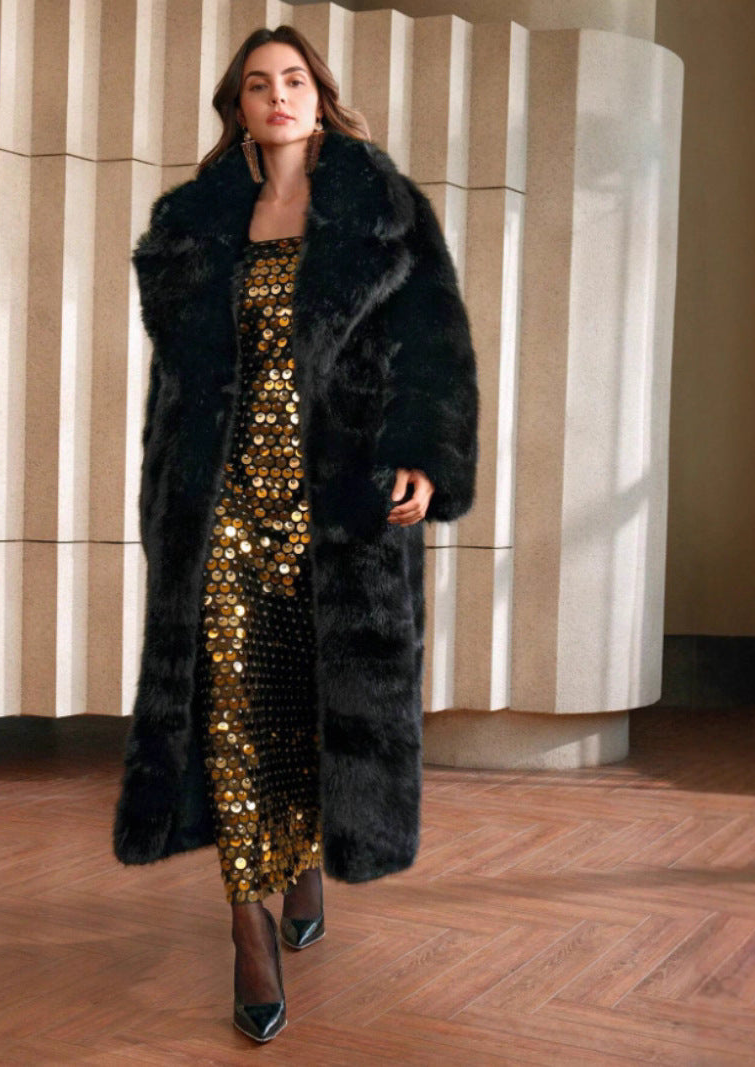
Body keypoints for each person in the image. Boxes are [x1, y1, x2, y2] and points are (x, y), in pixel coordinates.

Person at [112, 24, 479, 1043]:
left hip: (339, 512)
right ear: (236, 108)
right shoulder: (195, 226)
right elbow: (178, 388)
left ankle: (305, 857)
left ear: (320, 95)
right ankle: (248, 928)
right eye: (257, 84)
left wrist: (424, 451)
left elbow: (434, 344)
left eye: (294, 79)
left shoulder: (380, 210)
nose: (278, 95)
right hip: (225, 508)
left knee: (315, 704)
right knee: (234, 710)